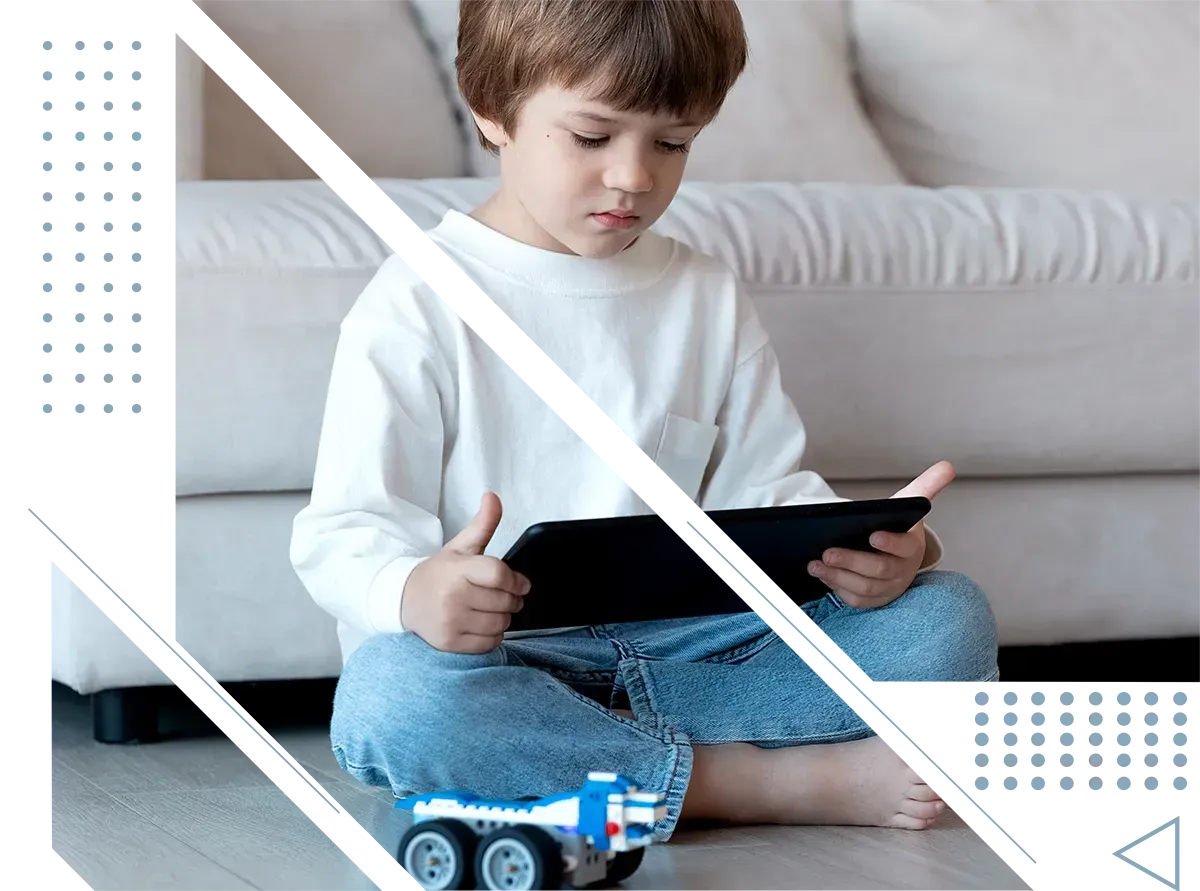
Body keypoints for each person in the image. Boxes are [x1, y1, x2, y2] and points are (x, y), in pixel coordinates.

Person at [289, 0, 998, 842]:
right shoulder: (418, 298)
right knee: (393, 701)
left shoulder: (703, 292)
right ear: (492, 107)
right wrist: (413, 591)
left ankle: (590, 759)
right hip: (509, 659)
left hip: (697, 648)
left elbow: (766, 499)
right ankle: (742, 780)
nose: (633, 176)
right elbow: (344, 529)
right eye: (592, 137)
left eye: (672, 142)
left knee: (945, 621)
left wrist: (883, 553)